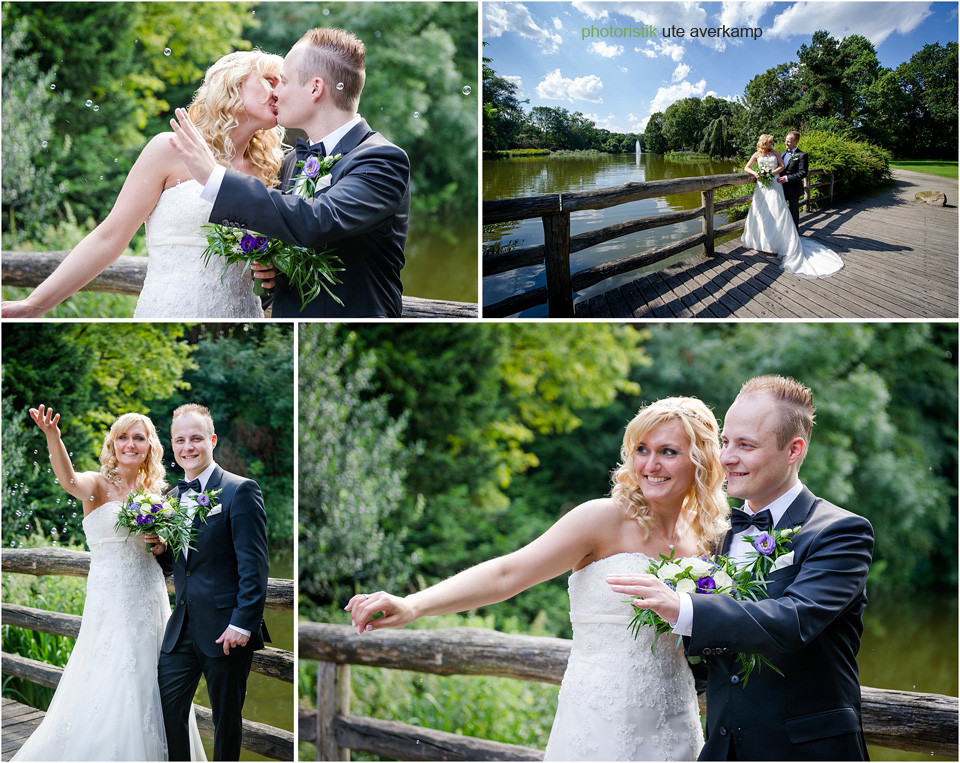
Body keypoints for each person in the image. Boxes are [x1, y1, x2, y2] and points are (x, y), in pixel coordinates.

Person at [346, 398, 730, 761]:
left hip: (675, 719)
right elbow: (507, 573)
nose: (650, 464)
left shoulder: (708, 538)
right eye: (642, 449)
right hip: (598, 721)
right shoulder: (602, 519)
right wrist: (413, 605)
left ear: (701, 461)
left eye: (668, 452)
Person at [611, 376, 874, 761]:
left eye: (746, 445)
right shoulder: (715, 535)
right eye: (726, 441)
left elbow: (793, 620)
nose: (726, 457)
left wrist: (684, 607)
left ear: (793, 450)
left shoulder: (841, 532)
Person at [1, 51, 283, 320]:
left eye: (282, 84)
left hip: (243, 312)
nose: (278, 91)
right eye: (269, 80)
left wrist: (271, 270)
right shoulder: (170, 148)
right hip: (169, 309)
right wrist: (32, 305)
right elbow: (109, 237)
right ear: (231, 84)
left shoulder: (272, 170)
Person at [170, 27, 410, 319]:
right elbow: (289, 238)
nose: (276, 93)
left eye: (282, 81)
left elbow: (316, 220)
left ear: (315, 89)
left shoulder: (382, 160)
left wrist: (215, 178)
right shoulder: (292, 161)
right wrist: (274, 273)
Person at [12, 407, 205, 761]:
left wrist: (159, 542)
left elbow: (165, 552)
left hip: (150, 596)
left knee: (155, 679)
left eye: (138, 437)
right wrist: (53, 436)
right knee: (110, 674)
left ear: (149, 447)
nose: (129, 444)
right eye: (122, 437)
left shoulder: (159, 495)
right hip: (110, 598)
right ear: (113, 444)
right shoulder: (98, 485)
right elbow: (68, 481)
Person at [158, 404, 270, 762]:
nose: (187, 447)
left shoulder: (241, 490)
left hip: (226, 629)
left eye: (196, 438)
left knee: (226, 721)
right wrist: (158, 545)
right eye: (180, 440)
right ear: (172, 445)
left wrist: (242, 622)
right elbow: (177, 564)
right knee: (167, 708)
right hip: (181, 627)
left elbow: (254, 567)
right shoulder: (170, 499)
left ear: (212, 440)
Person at [741, 133, 843, 278]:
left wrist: (771, 173)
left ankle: (788, 238)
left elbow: (791, 169)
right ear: (763, 143)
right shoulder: (765, 153)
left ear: (795, 141)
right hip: (763, 186)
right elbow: (748, 167)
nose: (783, 143)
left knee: (782, 212)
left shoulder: (793, 154)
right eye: (770, 142)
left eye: (788, 141)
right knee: (761, 212)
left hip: (779, 185)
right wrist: (757, 174)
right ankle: (762, 241)